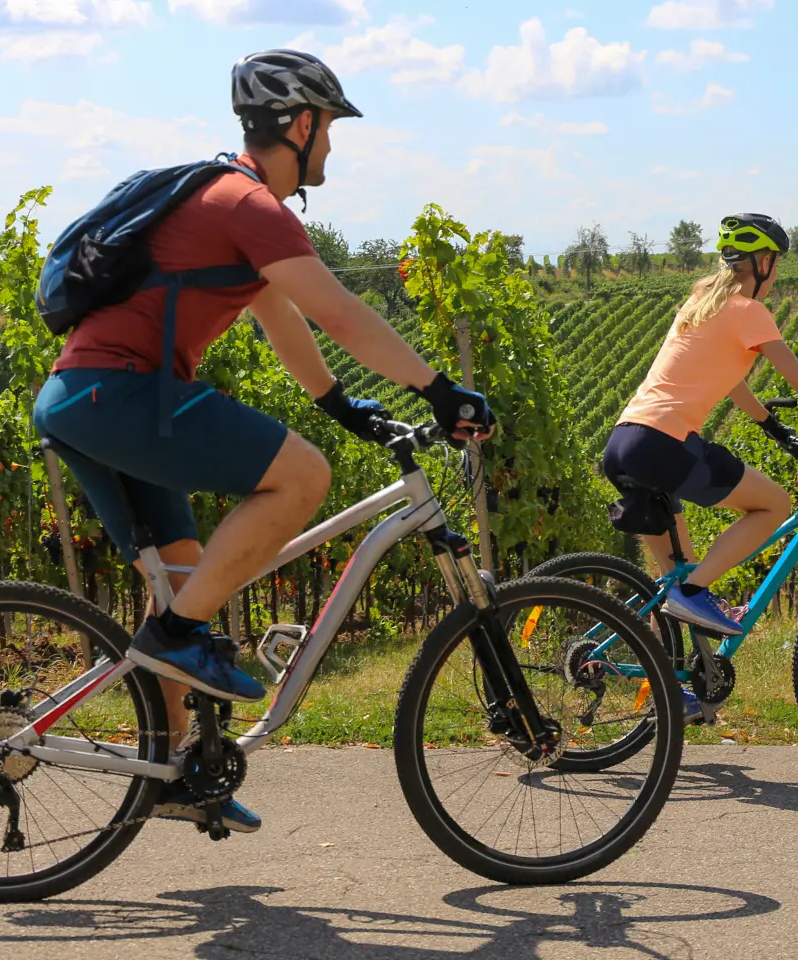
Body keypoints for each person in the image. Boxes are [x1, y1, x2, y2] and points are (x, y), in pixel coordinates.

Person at [32, 49, 493, 834]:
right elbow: (336, 311)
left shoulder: (225, 199)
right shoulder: (249, 205)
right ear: (300, 125)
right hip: (121, 395)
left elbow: (280, 315)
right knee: (301, 478)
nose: (332, 147)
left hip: (84, 401)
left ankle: (171, 772)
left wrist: (343, 405)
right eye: (330, 129)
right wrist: (439, 389)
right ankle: (177, 639)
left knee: (184, 583)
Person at [604, 213, 798, 642]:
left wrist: (773, 426)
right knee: (773, 504)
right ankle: (693, 593)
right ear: (764, 262)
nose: (776, 272)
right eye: (776, 262)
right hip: (664, 444)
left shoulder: (701, 303)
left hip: (625, 441)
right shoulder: (748, 311)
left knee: (676, 579)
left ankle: (665, 674)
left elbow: (730, 380)